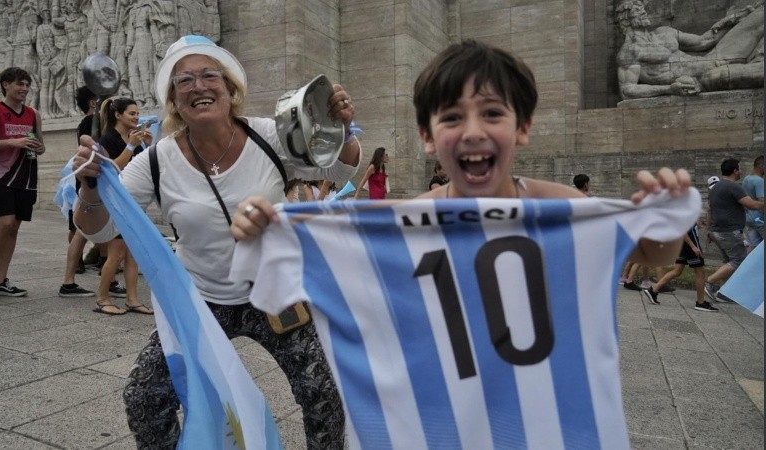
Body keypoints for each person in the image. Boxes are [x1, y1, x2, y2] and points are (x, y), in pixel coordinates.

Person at [231, 39, 694, 448]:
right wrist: (269, 225)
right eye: (452, 117)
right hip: (447, 411)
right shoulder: (413, 218)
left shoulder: (562, 207)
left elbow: (653, 255)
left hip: (539, 415)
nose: (473, 130)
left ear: (522, 128)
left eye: (492, 113)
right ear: (428, 139)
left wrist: (664, 217)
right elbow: (332, 240)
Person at [71, 35, 359, 448]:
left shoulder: (269, 136)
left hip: (274, 295)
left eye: (209, 76)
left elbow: (341, 171)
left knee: (324, 398)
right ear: (173, 99)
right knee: (144, 398)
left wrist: (341, 128)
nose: (199, 86)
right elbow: (97, 230)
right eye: (184, 80)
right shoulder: (155, 160)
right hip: (202, 301)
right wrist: (91, 187)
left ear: (230, 89)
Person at [0, 67, 44, 300]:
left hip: (26, 175)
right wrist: (13, 142)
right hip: (0, 174)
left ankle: (1, 279)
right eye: (20, 84)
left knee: (14, 227)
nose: (24, 89)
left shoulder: (33, 114)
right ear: (6, 84)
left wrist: (35, 146)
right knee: (5, 223)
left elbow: (41, 146)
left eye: (27, 85)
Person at [615, 0, 764, 99]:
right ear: (627, 21)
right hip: (706, 78)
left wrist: (734, 18)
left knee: (761, 15)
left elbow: (704, 41)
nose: (643, 12)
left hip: (715, 58)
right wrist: (669, 89)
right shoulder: (630, 51)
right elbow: (627, 90)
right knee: (738, 73)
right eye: (637, 11)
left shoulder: (664, 31)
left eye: (642, 9)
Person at [90, 96, 153, 315]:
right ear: (118, 115)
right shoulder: (107, 139)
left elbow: (140, 170)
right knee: (115, 253)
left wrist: (148, 146)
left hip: (133, 201)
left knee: (133, 253)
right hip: (116, 202)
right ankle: (102, 298)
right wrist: (131, 146)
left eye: (137, 113)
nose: (137, 117)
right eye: (132, 114)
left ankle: (132, 299)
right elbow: (111, 168)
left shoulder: (132, 138)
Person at [705, 158, 764, 301]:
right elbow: (753, 205)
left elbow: (710, 210)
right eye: (740, 168)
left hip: (717, 231)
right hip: (729, 232)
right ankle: (709, 282)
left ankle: (723, 293)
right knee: (739, 260)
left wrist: (708, 230)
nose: (741, 171)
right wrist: (762, 201)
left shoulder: (717, 187)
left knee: (728, 262)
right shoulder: (733, 186)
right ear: (735, 171)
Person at [58, 87, 97, 298]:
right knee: (79, 225)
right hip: (86, 178)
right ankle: (74, 271)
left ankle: (82, 264)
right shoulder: (89, 123)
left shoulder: (90, 122)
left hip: (84, 176)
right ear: (92, 103)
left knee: (79, 225)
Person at [644, 223, 719, 311]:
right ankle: (700, 303)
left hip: (682, 244)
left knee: (677, 271)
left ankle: (654, 289)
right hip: (690, 245)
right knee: (700, 274)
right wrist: (693, 246)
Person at [742, 155, 764, 250]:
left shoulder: (746, 179)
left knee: (754, 247)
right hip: (760, 219)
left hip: (749, 219)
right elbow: (762, 202)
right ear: (761, 166)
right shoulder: (759, 181)